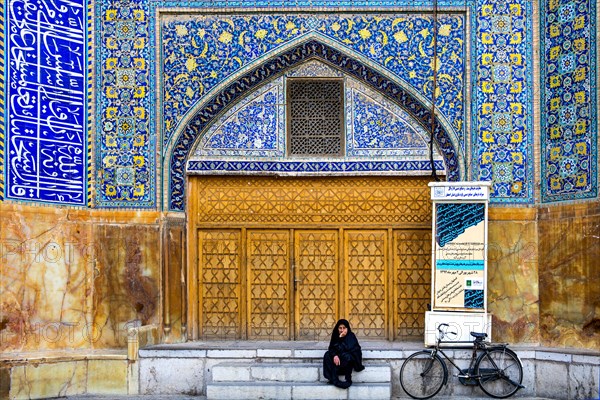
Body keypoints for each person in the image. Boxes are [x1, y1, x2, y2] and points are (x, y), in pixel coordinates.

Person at [322, 319, 365, 388]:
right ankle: (333, 378)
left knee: (347, 356)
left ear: (347, 328)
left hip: (347, 364)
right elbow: (331, 348)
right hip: (336, 364)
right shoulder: (336, 336)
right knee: (327, 354)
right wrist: (335, 356)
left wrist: (341, 340)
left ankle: (348, 379)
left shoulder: (351, 336)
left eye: (344, 328)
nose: (342, 330)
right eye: (340, 328)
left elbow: (350, 350)